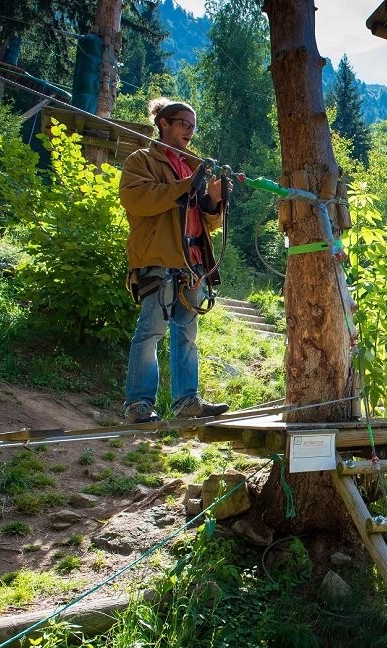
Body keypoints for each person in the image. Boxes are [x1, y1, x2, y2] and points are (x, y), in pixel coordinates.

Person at [120, 98, 230, 423]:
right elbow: (136, 199)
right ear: (163, 123)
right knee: (151, 330)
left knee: (186, 333)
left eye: (193, 126)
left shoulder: (193, 166)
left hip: (192, 262)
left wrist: (213, 200)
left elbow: (204, 221)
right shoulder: (142, 160)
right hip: (159, 257)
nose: (190, 131)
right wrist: (185, 187)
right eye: (184, 123)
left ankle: (186, 402)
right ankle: (138, 405)